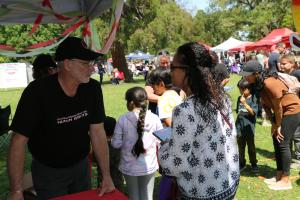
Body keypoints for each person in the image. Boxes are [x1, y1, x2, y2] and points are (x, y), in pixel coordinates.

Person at [7, 37, 115, 200]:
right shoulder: (37, 93)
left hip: (81, 167)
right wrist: (16, 190)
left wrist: (106, 175)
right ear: (67, 64)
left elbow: (97, 131)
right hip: (49, 171)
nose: (92, 68)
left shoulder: (92, 88)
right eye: (85, 63)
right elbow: (18, 141)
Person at [158, 42, 240, 199]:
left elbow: (175, 165)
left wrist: (163, 148)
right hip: (228, 184)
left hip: (202, 193)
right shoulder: (222, 98)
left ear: (187, 71)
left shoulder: (185, 110)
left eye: (173, 67)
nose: (170, 72)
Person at [240, 60, 300, 190]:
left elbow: (278, 107)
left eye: (247, 74)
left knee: (283, 142)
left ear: (256, 73)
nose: (245, 76)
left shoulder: (270, 82)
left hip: (291, 110)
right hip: (280, 113)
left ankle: (285, 180)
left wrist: (278, 125)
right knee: (276, 139)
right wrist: (273, 124)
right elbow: (266, 106)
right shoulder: (258, 84)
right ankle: (279, 175)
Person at [111, 87, 163, 200]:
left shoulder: (122, 119)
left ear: (130, 103)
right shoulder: (155, 119)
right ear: (146, 101)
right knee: (147, 197)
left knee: (134, 197)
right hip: (149, 165)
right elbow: (161, 141)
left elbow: (115, 144)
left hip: (129, 166)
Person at [235, 79, 258, 172]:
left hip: (249, 128)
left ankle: (254, 164)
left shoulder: (253, 99)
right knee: (240, 147)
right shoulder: (239, 98)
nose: (241, 92)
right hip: (239, 127)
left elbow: (253, 113)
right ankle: (241, 163)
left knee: (251, 147)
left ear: (248, 89)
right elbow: (238, 111)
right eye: (240, 90)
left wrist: (244, 103)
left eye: (242, 90)